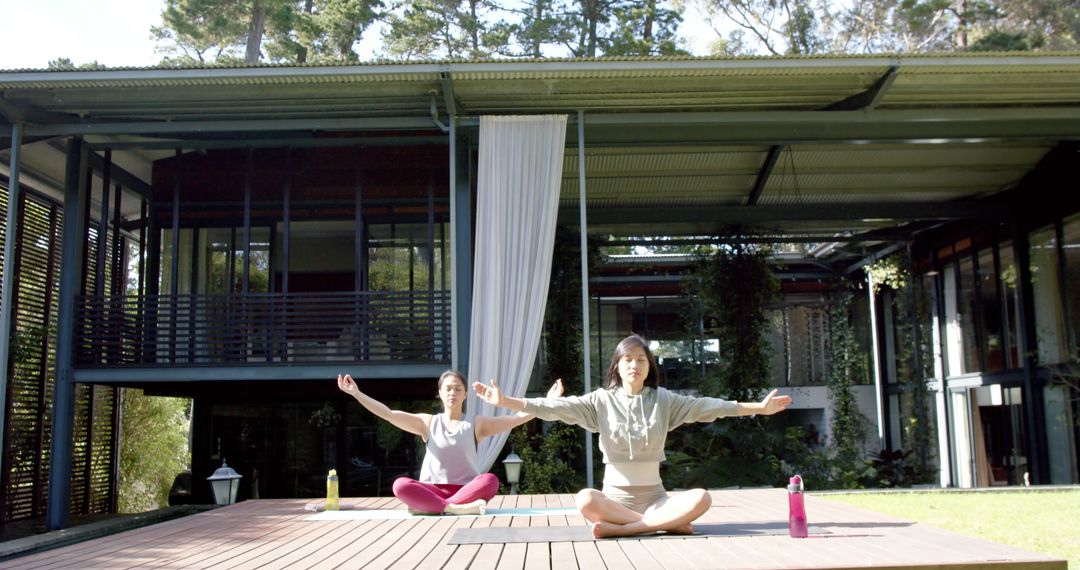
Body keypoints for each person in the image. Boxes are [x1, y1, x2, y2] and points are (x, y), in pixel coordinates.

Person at [473, 334, 792, 538]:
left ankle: (632, 528)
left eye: (641, 359)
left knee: (702, 497)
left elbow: (709, 407)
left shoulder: (664, 400)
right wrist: (505, 401)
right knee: (585, 499)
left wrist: (759, 409)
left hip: (656, 499)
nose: (634, 365)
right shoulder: (600, 400)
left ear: (649, 366)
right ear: (617, 365)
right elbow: (552, 407)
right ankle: (664, 524)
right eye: (628, 359)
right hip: (614, 501)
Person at [337, 370, 562, 515]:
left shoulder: (476, 424)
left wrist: (548, 402)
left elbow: (517, 419)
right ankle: (453, 509)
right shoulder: (427, 423)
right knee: (400, 485)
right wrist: (357, 394)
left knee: (490, 480)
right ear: (440, 393)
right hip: (431, 489)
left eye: (457, 389)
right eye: (448, 388)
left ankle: (432, 508)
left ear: (465, 395)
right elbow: (387, 413)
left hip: (466, 490)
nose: (452, 392)